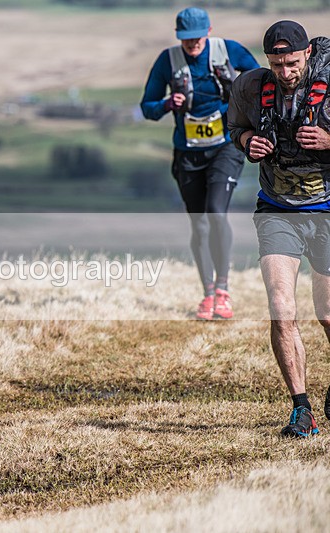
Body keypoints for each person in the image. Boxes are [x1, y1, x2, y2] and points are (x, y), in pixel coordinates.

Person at [228, 20, 330, 437]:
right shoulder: (250, 86)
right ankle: (301, 410)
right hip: (277, 209)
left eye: (291, 63)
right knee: (281, 308)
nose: (284, 73)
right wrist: (246, 141)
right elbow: (234, 128)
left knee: (327, 315)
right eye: (276, 64)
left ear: (306, 54)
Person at [141, 7, 259, 320]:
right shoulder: (167, 61)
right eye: (185, 38)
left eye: (196, 37)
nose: (191, 43)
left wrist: (235, 97)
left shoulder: (229, 51)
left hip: (225, 146)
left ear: (208, 32)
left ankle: (223, 289)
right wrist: (168, 103)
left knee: (216, 213)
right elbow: (147, 107)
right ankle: (208, 294)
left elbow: (261, 83)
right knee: (200, 223)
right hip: (188, 152)